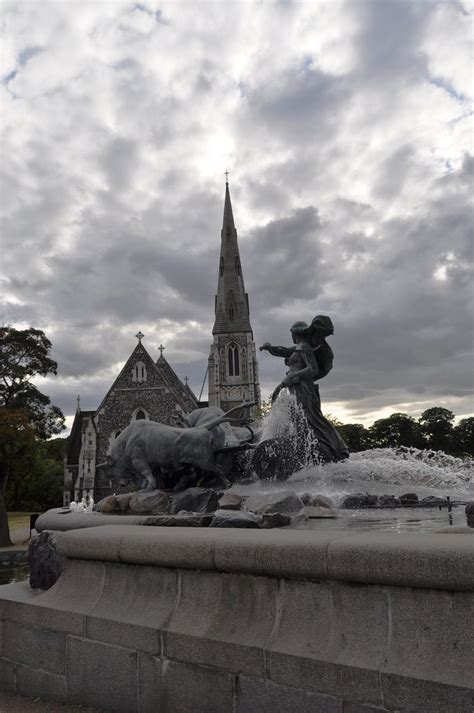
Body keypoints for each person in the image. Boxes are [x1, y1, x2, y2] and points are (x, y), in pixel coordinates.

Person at [259, 319, 348, 462]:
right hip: (296, 387)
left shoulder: (304, 346)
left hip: (304, 389)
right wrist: (271, 348)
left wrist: (292, 376)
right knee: (299, 419)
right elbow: (285, 351)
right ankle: (309, 451)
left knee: (312, 419)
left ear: (294, 333)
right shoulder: (299, 346)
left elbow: (313, 369)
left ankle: (337, 450)